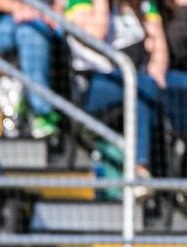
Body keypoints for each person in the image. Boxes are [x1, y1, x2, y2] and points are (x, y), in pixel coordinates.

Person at [66, 0, 167, 177]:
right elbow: (97, 34)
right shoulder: (80, 4)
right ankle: (140, 166)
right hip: (93, 85)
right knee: (141, 88)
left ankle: (150, 172)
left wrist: (157, 72)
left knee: (149, 89)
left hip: (136, 82)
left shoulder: (141, 5)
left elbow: (159, 47)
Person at [0, 0, 69, 139]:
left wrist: (55, 9)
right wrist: (18, 7)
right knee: (21, 31)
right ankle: (20, 102)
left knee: (30, 33)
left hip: (44, 21)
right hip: (5, 20)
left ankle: (40, 113)